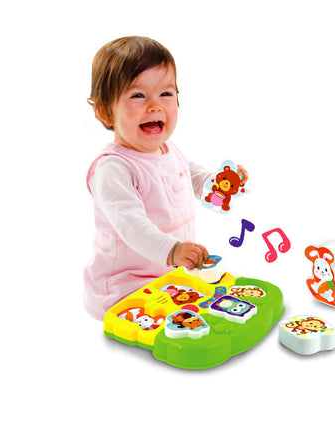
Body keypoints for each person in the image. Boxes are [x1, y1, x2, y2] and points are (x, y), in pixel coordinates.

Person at [83, 36, 248, 320]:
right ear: (105, 111)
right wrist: (173, 251)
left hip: (168, 277)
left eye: (166, 94)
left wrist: (222, 182)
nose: (155, 106)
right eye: (138, 95)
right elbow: (132, 227)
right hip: (125, 286)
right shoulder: (113, 168)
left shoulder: (167, 149)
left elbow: (193, 178)